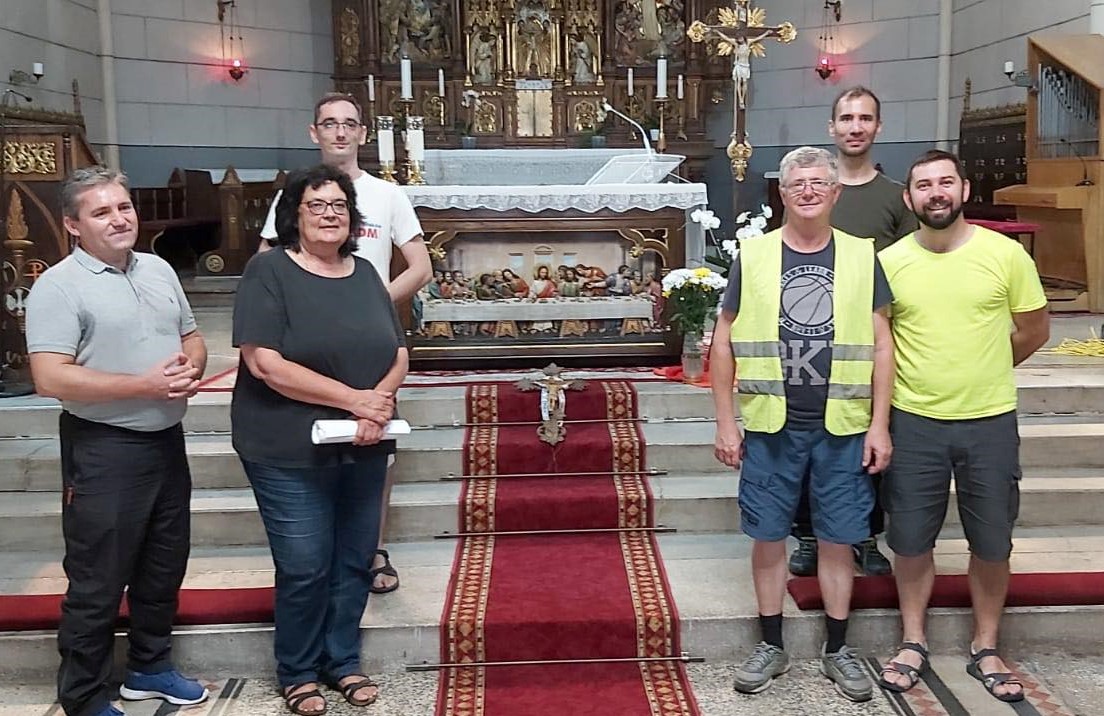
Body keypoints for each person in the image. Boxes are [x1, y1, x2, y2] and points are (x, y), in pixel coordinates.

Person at [709, 146, 894, 702]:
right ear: (782, 195)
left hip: (842, 425)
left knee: (838, 538)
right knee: (768, 535)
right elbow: (724, 340)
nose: (808, 191)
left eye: (818, 183)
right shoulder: (755, 255)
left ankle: (837, 649)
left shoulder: (861, 254)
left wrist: (880, 425)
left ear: (835, 193)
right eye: (797, 184)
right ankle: (771, 645)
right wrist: (725, 422)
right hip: (772, 425)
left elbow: (882, 344)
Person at [26, 167, 209, 716]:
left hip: (165, 440)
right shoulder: (58, 286)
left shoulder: (157, 268)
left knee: (163, 565)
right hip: (103, 447)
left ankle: (149, 668)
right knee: (98, 578)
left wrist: (191, 367)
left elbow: (192, 337)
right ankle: (84, 696)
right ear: (73, 224)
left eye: (123, 207)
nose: (119, 219)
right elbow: (49, 377)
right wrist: (143, 385)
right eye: (101, 212)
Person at [233, 164, 409, 715]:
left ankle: (342, 660)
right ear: (294, 214)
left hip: (364, 438)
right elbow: (265, 364)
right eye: (317, 205)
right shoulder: (268, 271)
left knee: (355, 558)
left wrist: (378, 402)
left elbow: (399, 352)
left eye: (339, 206)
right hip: (287, 446)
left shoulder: (365, 274)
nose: (330, 215)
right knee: (306, 564)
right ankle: (298, 670)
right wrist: (355, 400)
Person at [876, 150, 1049, 703]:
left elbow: (1034, 329)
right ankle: (913, 640)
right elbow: (881, 344)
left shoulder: (1004, 255)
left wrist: (987, 366)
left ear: (964, 189)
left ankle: (986, 645)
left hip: (989, 419)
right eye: (924, 185)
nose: (936, 193)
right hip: (914, 419)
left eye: (945, 182)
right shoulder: (890, 262)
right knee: (910, 539)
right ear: (909, 198)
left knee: (992, 540)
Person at [260, 92, 431, 596]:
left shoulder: (387, 195)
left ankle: (372, 547)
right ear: (313, 132)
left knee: (376, 445)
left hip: (368, 347)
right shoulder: (293, 194)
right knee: (311, 439)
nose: (340, 132)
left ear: (363, 133)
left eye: (349, 123)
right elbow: (266, 258)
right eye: (330, 123)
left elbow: (420, 266)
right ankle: (313, 548)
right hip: (307, 342)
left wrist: (372, 304)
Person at [789, 86, 917, 579]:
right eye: (847, 118)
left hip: (869, 341)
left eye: (865, 118)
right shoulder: (813, 189)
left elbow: (906, 269)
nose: (855, 127)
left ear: (878, 127)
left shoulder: (895, 197)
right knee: (808, 443)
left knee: (868, 443)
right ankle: (808, 534)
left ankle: (864, 535)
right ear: (832, 127)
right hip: (810, 344)